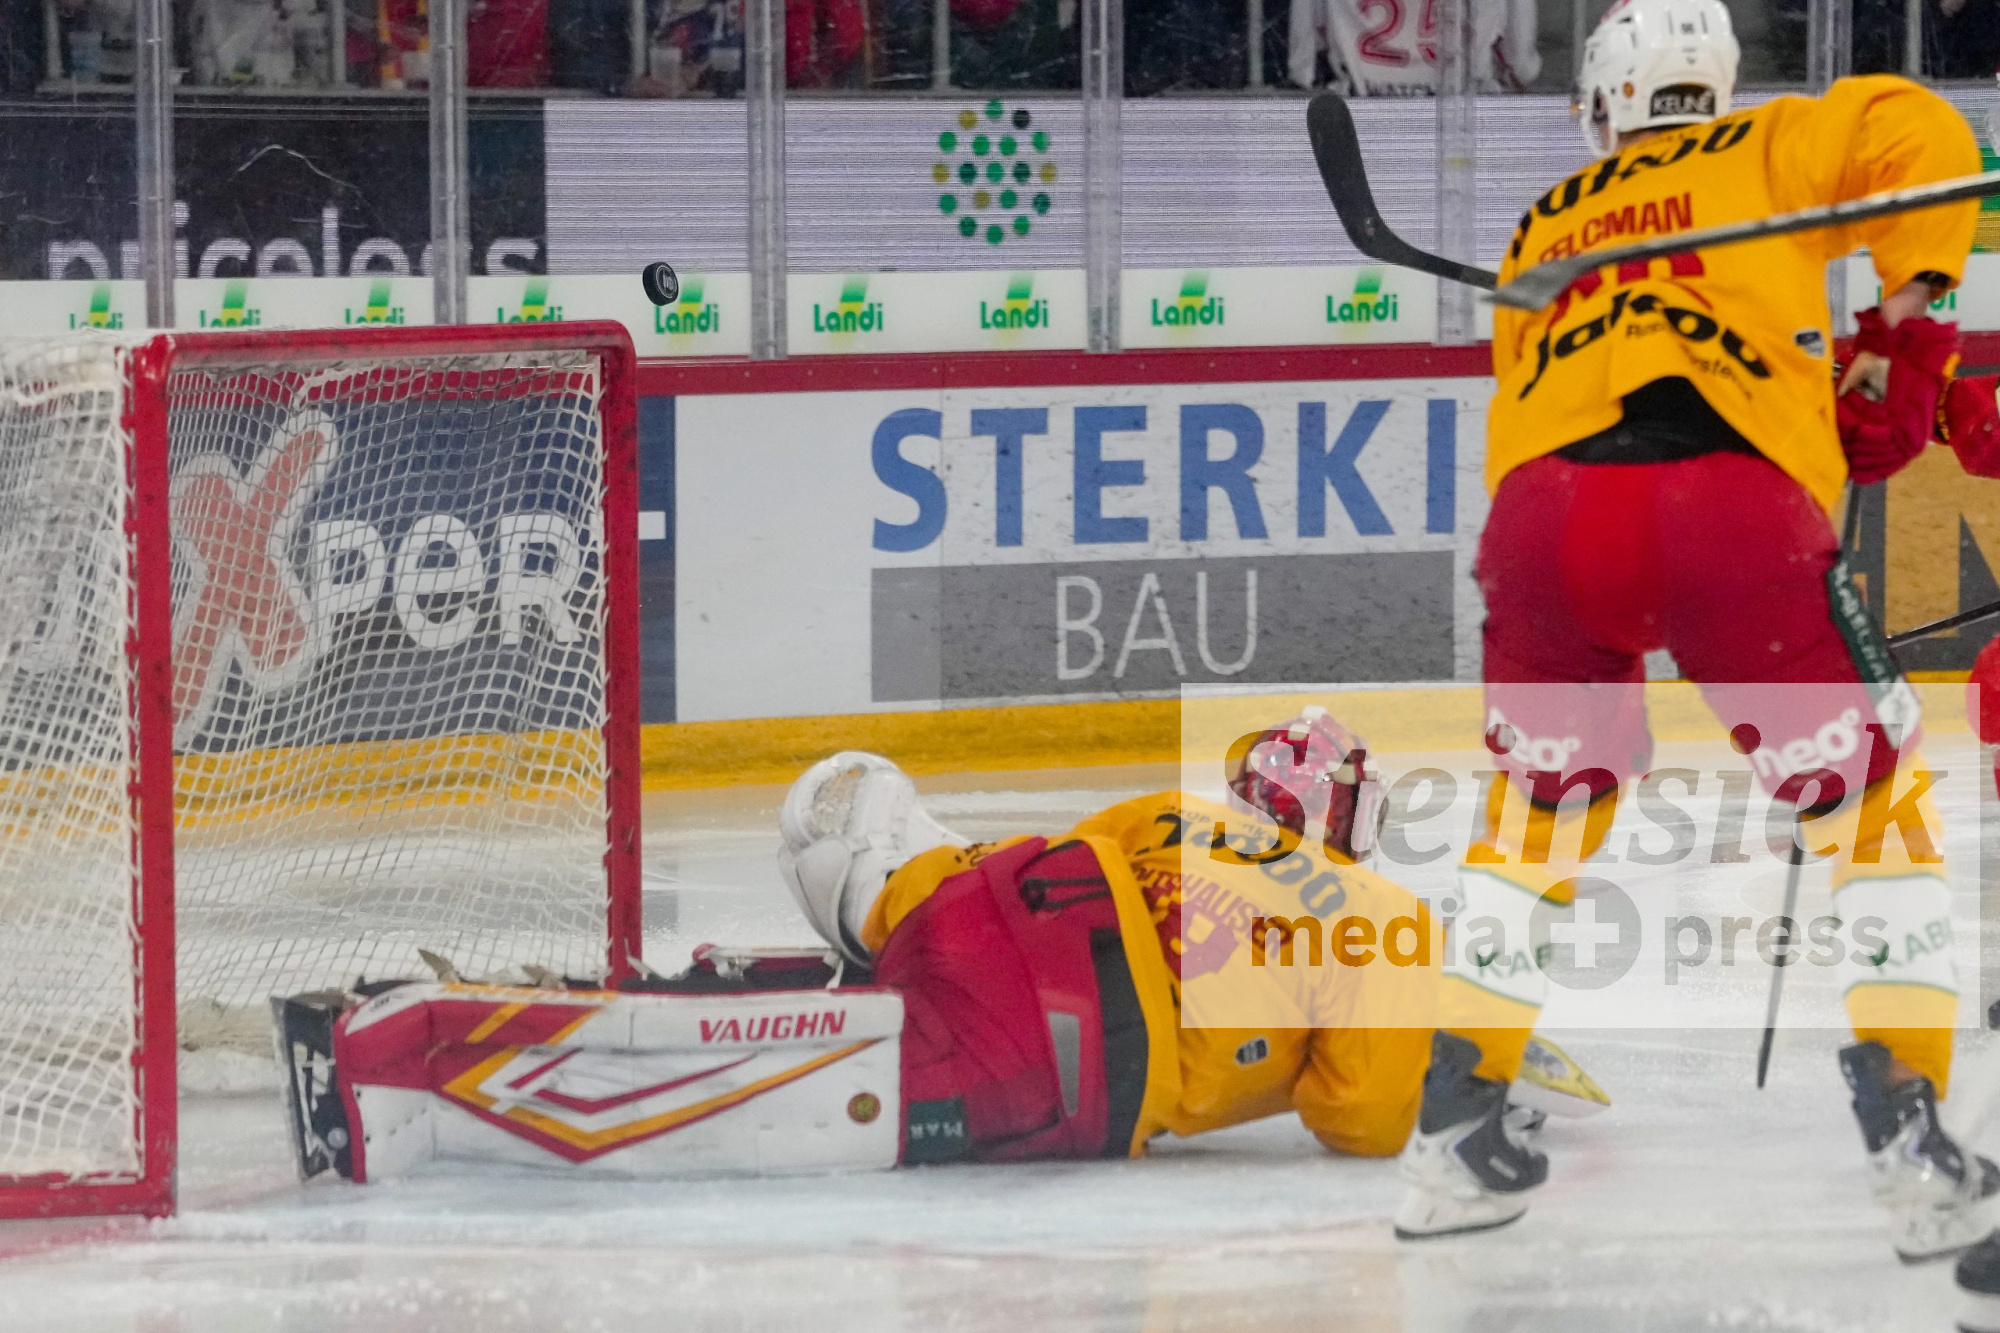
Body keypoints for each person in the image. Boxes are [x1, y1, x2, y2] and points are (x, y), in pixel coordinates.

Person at [1408, 0, 1992, 1262]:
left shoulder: (1544, 221)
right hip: (1724, 516)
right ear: (1710, 85)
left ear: (1602, 104)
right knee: (1868, 809)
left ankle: (1450, 1131)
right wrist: (1904, 325)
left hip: (1543, 527)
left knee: (1533, 820)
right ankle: (1909, 1132)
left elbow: (1547, 386)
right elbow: (1932, 137)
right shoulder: (1766, 146)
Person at [279, 714, 1605, 1185]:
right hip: (1075, 1051)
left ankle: (558, 995)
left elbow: (1063, 856)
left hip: (982, 894)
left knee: (816, 992)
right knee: (737, 1092)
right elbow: (1360, 1123)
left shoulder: (1188, 816)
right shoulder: (1387, 929)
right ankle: (398, 1067)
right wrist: (1417, 1067)